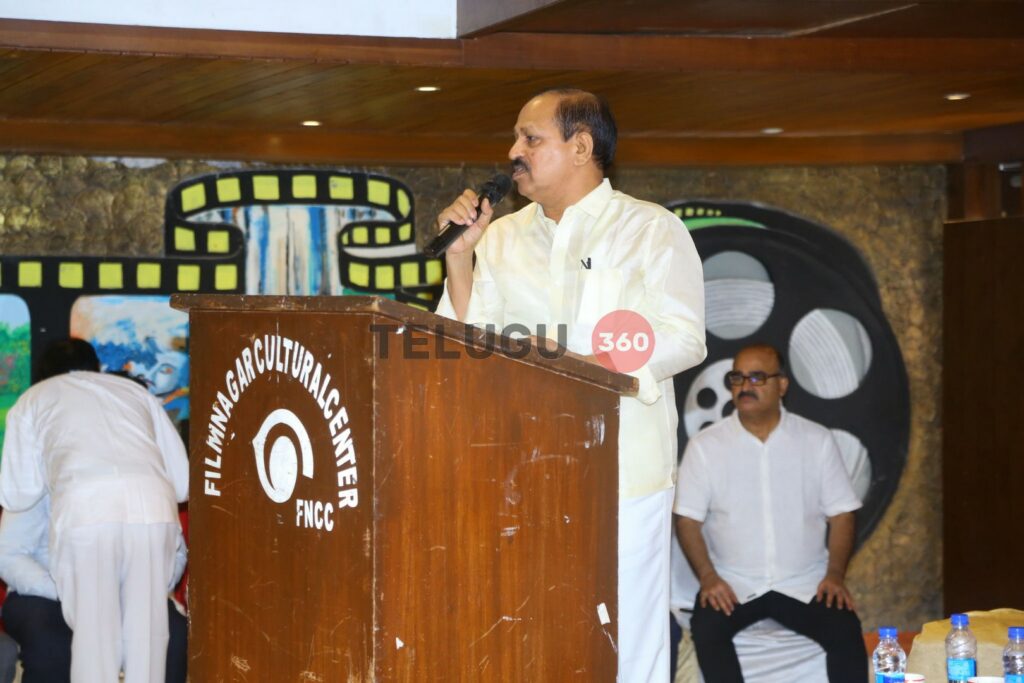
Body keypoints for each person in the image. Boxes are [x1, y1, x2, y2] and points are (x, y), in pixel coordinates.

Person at [434, 88, 706, 681]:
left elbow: (684, 337)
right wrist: (459, 257)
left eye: (531, 139)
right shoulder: (500, 236)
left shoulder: (650, 230)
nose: (514, 151)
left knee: (626, 643)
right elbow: (467, 344)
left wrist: (584, 365)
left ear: (581, 147)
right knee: (533, 632)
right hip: (521, 469)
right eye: (516, 138)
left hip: (622, 474)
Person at [673, 344, 867, 682]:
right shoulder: (706, 446)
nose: (744, 386)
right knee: (708, 628)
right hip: (733, 583)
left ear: (782, 385)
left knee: (844, 629)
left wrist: (835, 575)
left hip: (805, 583)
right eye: (737, 378)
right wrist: (709, 578)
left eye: (757, 377)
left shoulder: (816, 440)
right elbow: (687, 520)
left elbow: (842, 515)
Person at [0, 339, 189, 683]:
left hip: (86, 514)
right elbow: (182, 484)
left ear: (41, 374)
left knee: (94, 650)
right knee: (148, 649)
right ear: (97, 368)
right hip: (153, 510)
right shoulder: (137, 394)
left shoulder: (34, 398)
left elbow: (17, 493)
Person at [0, 496, 189, 683]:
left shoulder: (148, 480)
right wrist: (66, 590)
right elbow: (8, 555)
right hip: (46, 591)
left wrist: (146, 587)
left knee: (172, 632)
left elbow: (176, 553)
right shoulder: (33, 481)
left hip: (131, 590)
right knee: (53, 642)